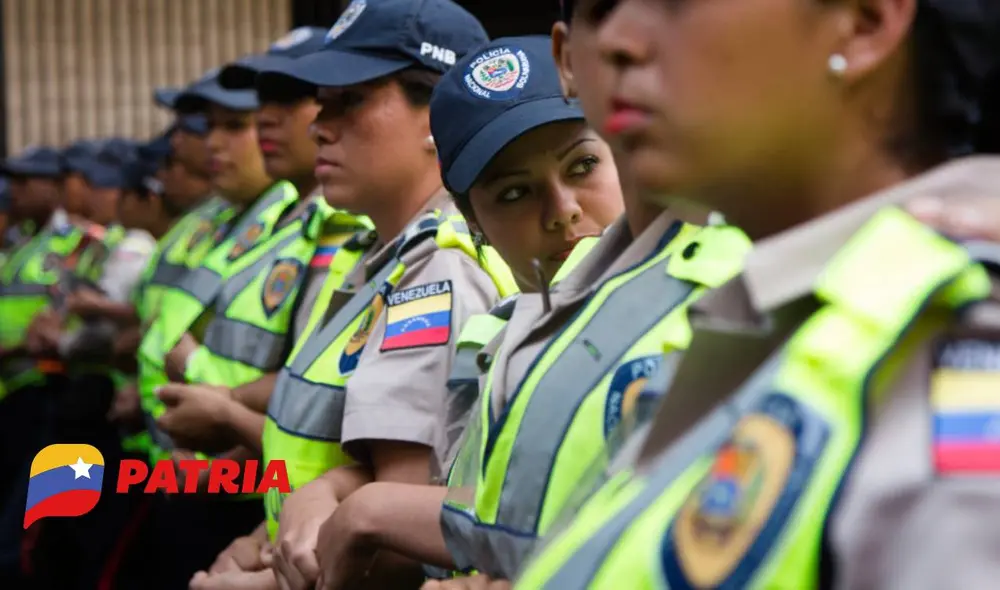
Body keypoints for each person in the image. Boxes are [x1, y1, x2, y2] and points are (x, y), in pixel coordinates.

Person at [514, 0, 1000, 588]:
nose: (616, 40)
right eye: (602, 9)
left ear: (866, 21)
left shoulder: (962, 339)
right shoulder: (793, 311)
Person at [308, 31, 747, 590]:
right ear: (474, 223)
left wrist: (367, 510)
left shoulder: (722, 286)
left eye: (583, 165)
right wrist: (339, 493)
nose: (562, 211)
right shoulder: (497, 334)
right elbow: (489, 506)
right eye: (515, 193)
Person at [195, 2, 514, 589]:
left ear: (440, 114)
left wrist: (262, 584)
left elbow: (403, 526)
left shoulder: (438, 270)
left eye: (352, 99)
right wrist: (260, 543)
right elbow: (331, 471)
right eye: (321, 101)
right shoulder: (378, 259)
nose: (320, 124)